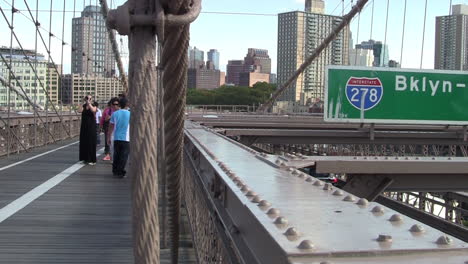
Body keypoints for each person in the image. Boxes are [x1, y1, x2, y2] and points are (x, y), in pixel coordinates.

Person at [108, 97, 130, 178]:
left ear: (119, 104)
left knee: (116, 155)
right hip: (126, 138)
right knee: (124, 156)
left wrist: (109, 137)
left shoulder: (115, 114)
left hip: (116, 137)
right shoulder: (130, 114)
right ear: (127, 104)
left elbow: (111, 126)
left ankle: (115, 170)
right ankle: (120, 171)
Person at [78, 95, 97, 165]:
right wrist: (82, 102)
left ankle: (92, 160)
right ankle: (85, 158)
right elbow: (79, 110)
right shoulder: (83, 106)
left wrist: (89, 103)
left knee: (91, 142)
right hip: (84, 126)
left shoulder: (94, 105)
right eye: (87, 98)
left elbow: (93, 110)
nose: (88, 99)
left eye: (90, 98)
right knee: (84, 142)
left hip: (91, 127)